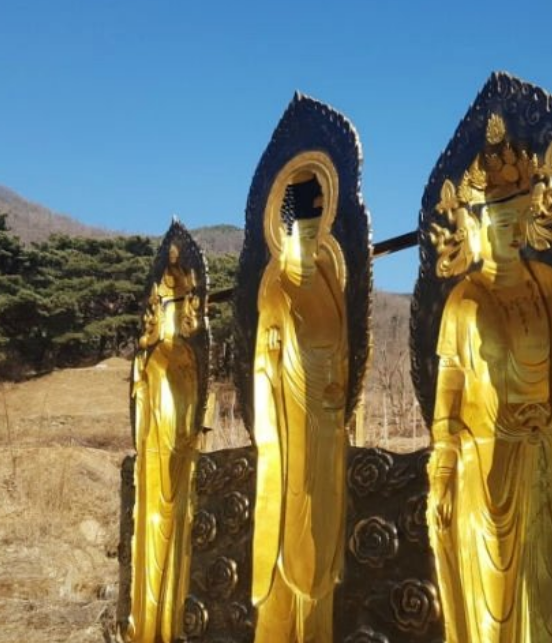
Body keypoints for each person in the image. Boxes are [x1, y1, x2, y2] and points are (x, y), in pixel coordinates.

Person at [426, 116, 552, 642]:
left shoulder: (549, 284)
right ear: (476, 226)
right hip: (485, 467)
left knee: (546, 590)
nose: (512, 233)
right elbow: (448, 394)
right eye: (500, 223)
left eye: (518, 220)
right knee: (490, 599)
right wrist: (442, 469)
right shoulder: (464, 300)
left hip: (543, 454)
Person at [251, 171, 348, 642]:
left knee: (326, 535)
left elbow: (342, 357)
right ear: (286, 232)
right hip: (291, 432)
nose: (311, 246)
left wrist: (337, 393)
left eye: (317, 236)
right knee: (295, 529)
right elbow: (264, 376)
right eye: (304, 236)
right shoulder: (278, 295)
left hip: (328, 430)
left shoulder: (328, 283)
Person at [126, 242, 203, 643]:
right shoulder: (151, 359)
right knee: (153, 523)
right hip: (156, 449)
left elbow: (192, 414)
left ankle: (171, 620)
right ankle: (147, 619)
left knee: (178, 527)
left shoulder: (188, 359)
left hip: (181, 453)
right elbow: (141, 401)